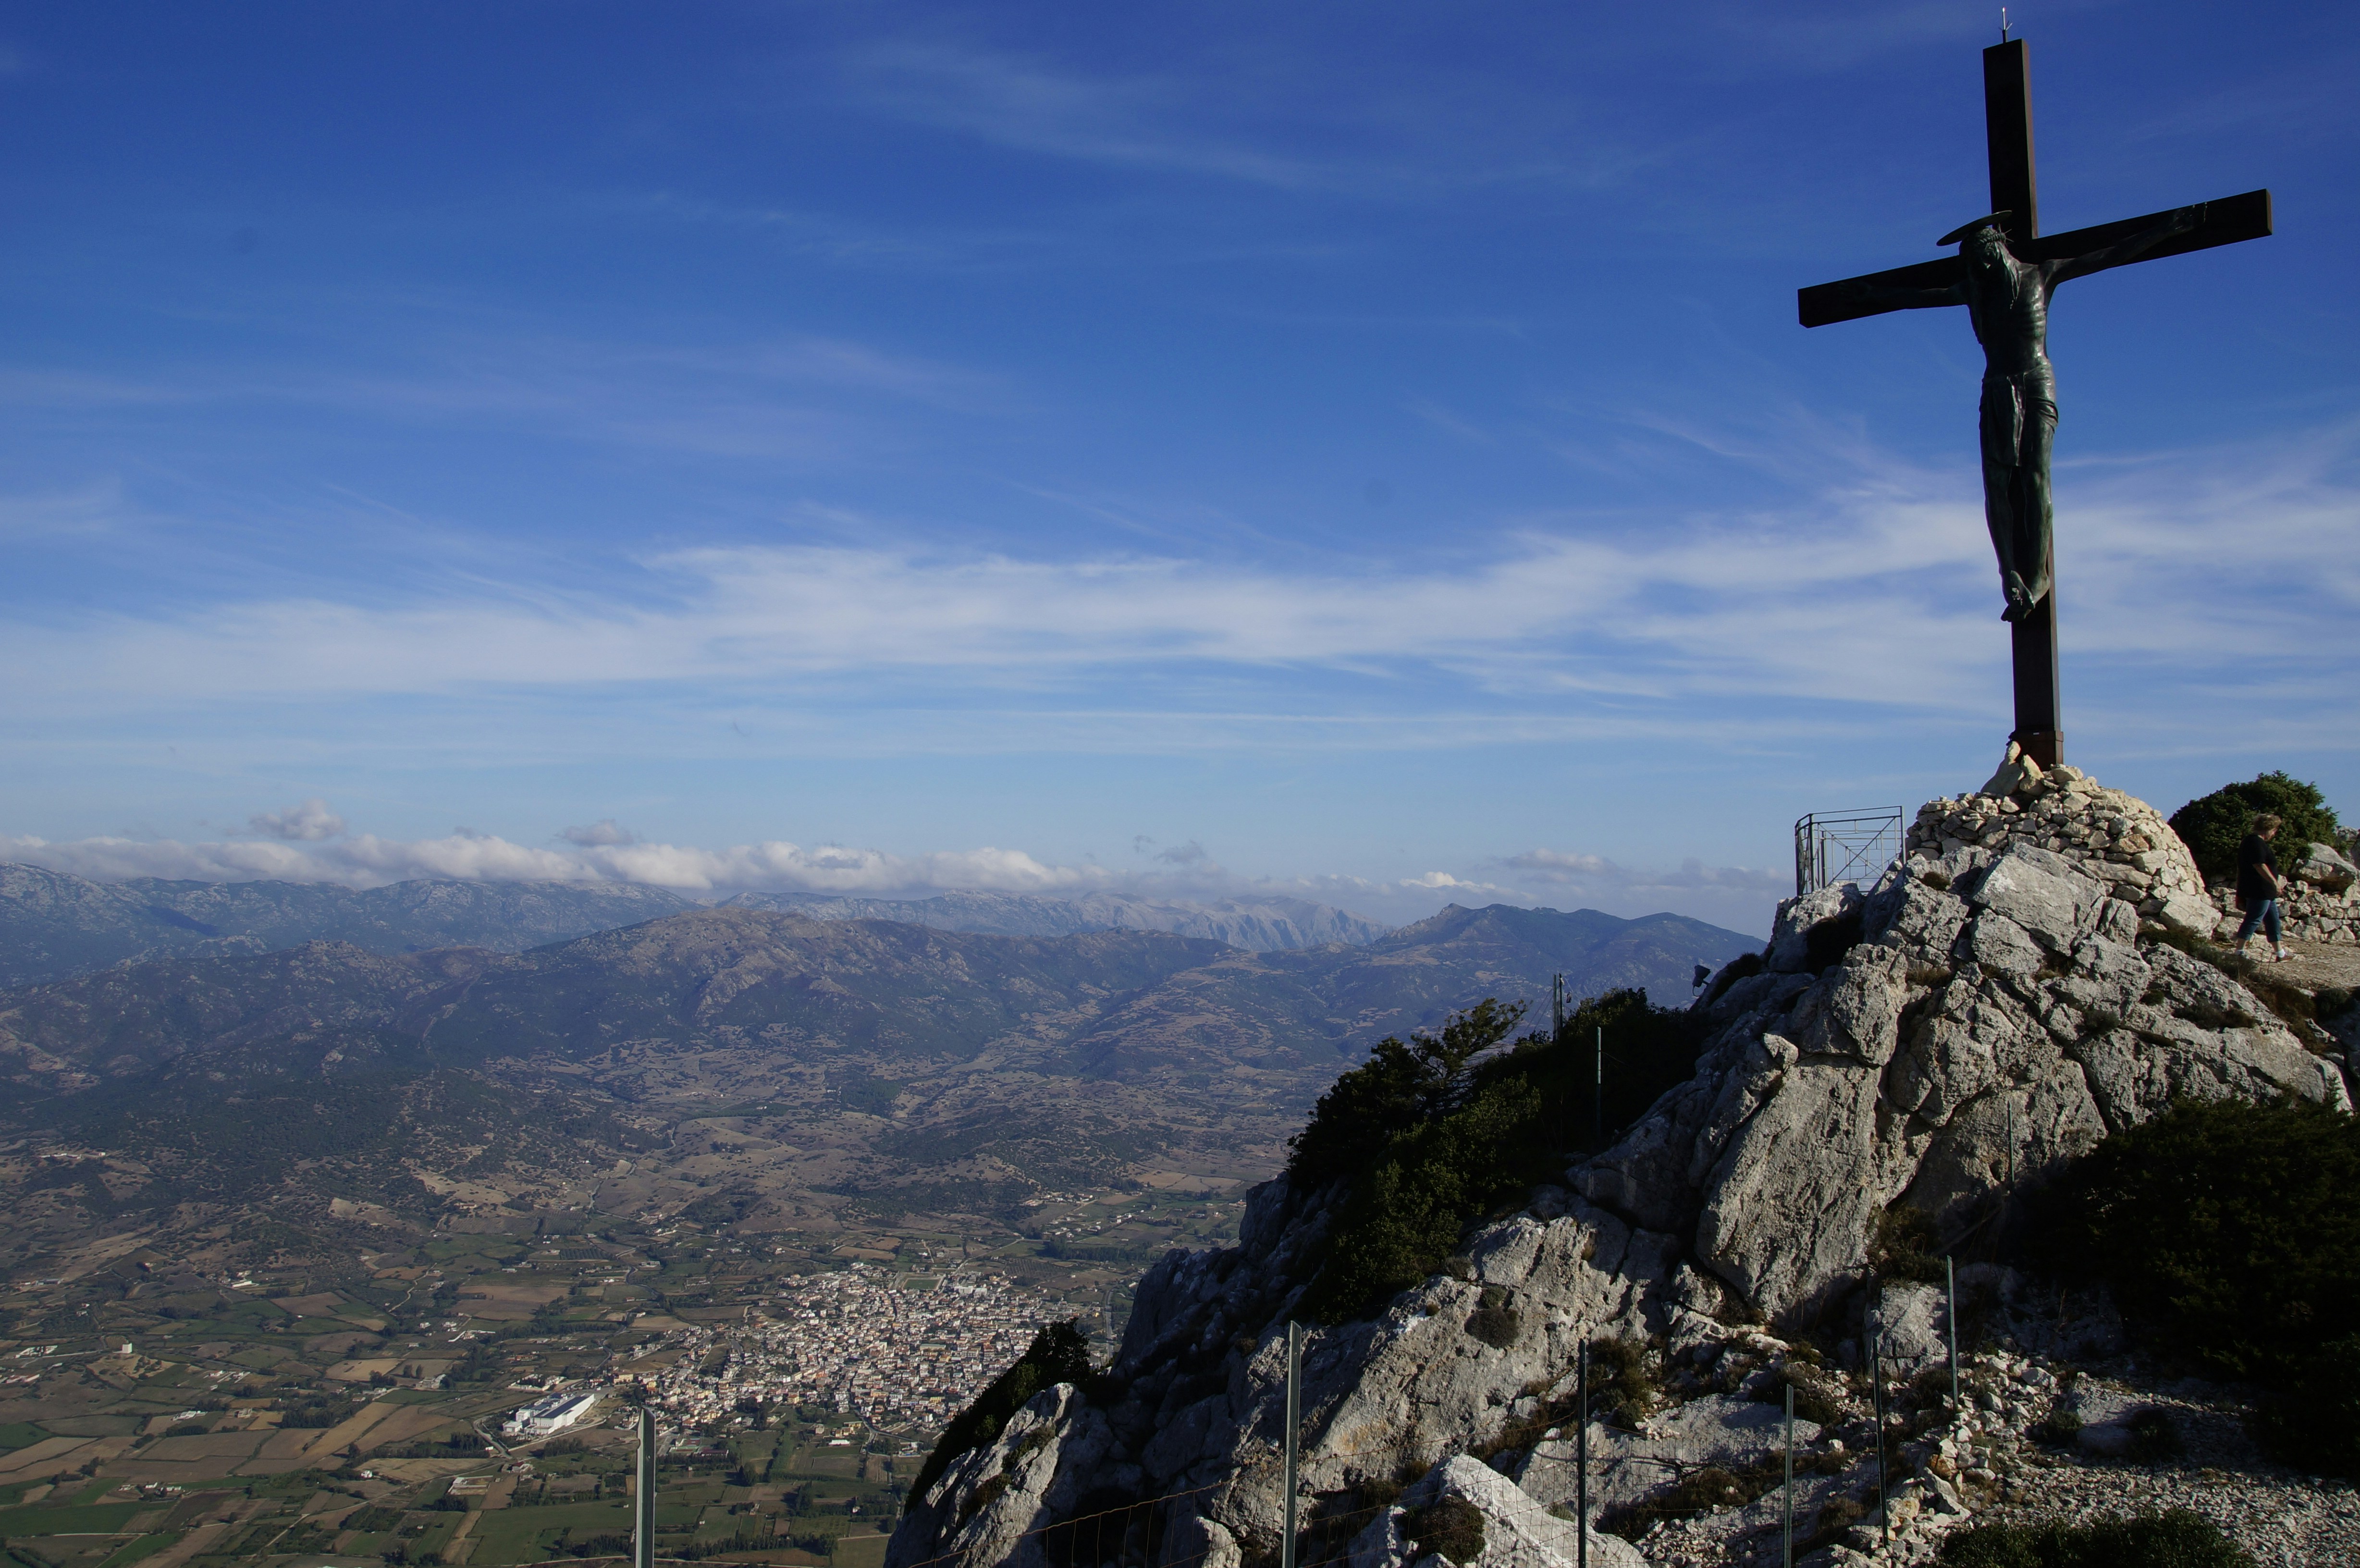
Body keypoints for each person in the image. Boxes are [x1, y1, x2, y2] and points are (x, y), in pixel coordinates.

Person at [2233, 813, 2293, 962]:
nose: (2274, 833)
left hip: (2265, 891)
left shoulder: (2251, 842)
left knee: (2273, 920)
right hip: (2259, 889)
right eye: (2274, 830)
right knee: (2254, 918)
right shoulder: (2255, 843)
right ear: (2267, 829)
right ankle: (2239, 951)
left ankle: (2280, 953)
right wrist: (2274, 883)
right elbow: (2259, 865)